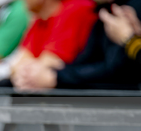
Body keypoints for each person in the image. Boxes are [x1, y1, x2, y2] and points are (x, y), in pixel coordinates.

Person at [12, 0, 141, 89]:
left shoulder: (78, 7)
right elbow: (87, 60)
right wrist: (56, 75)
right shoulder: (106, 8)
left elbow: (119, 72)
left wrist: (129, 40)